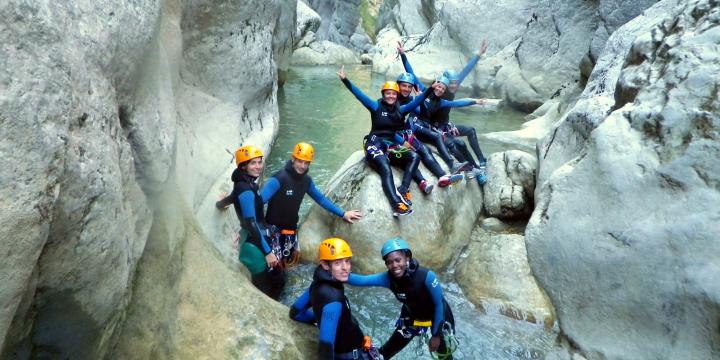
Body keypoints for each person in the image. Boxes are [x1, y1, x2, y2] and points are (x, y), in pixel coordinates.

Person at [258, 142, 363, 298]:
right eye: (299, 161)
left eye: (306, 162)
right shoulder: (278, 179)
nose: (302, 165)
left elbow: (320, 199)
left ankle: (279, 295)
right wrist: (252, 229)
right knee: (274, 270)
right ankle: (268, 297)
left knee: (286, 266)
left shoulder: (306, 181)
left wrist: (343, 213)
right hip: (273, 231)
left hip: (290, 232)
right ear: (293, 159)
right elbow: (257, 204)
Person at [337, 65, 436, 216]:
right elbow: (359, 95)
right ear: (383, 94)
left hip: (390, 145)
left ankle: (403, 189)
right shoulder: (375, 106)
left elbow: (416, 102)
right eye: (387, 93)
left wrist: (429, 90)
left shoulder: (401, 110)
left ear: (396, 95)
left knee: (414, 156)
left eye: (393, 94)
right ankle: (396, 204)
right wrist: (345, 80)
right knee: (384, 165)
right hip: (374, 144)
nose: (390, 96)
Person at [346, 237, 458, 359]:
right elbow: (363, 280)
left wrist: (436, 335)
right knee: (384, 353)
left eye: (398, 260)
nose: (394, 265)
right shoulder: (387, 279)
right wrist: (338, 273)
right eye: (389, 262)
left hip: (439, 316)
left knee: (444, 355)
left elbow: (438, 305)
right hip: (411, 316)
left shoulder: (427, 276)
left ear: (407, 258)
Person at [399, 40, 490, 184]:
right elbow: (412, 74)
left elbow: (458, 96)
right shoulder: (426, 90)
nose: (453, 85)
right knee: (458, 145)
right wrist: (403, 55)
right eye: (449, 83)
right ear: (438, 83)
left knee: (470, 131)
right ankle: (472, 169)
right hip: (434, 127)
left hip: (444, 125)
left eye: (454, 83)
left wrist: (478, 55)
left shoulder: (445, 95)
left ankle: (480, 163)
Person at [289, 238, 381, 360]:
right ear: (325, 265)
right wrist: (326, 322)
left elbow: (295, 313)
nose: (345, 268)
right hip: (352, 355)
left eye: (347, 261)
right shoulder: (334, 301)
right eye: (338, 263)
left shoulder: (316, 284)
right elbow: (325, 349)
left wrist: (321, 321)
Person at [214, 145, 280, 298]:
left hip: (254, 238)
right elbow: (251, 223)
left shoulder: (244, 183)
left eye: (259, 162)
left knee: (271, 281)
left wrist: (220, 203)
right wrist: (268, 252)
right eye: (253, 163)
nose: (258, 167)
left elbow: (231, 199)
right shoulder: (245, 190)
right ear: (243, 166)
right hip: (254, 243)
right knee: (264, 288)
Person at [395, 71, 465, 193]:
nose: (406, 89)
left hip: (406, 132)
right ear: (398, 85)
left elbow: (421, 112)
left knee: (425, 150)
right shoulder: (390, 100)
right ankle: (420, 182)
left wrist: (419, 99)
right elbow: (385, 125)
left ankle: (442, 176)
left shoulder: (411, 99)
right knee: (412, 155)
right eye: (404, 86)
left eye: (409, 87)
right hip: (395, 136)